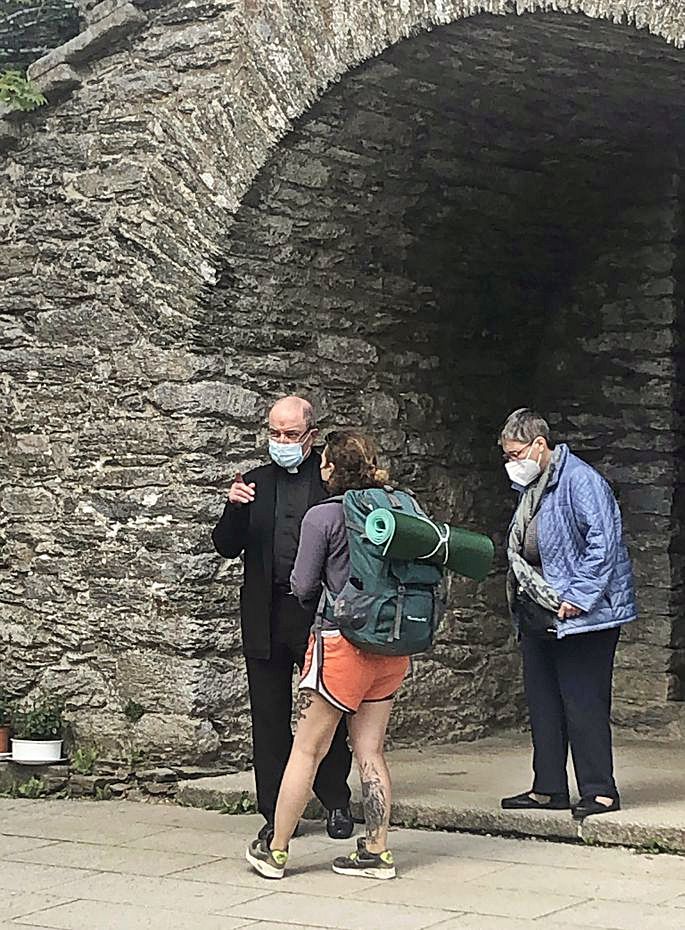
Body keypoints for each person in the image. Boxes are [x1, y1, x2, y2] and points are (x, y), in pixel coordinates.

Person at [246, 430, 408, 880]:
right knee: (371, 750)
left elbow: (301, 586)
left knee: (306, 748)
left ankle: (276, 850)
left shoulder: (324, 516)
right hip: (391, 647)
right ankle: (376, 851)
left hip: (342, 645)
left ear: (331, 470)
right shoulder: (397, 507)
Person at [212, 397, 353, 842]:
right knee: (268, 716)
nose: (281, 442)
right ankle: (275, 812)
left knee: (328, 710)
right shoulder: (253, 482)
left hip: (315, 615)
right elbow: (225, 546)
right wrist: (233, 508)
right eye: (274, 433)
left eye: (290, 434)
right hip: (265, 612)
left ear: (311, 436)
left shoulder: (330, 481)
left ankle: (336, 801)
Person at [499, 408, 637, 820]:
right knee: (544, 702)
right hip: (542, 609)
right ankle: (548, 787)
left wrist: (579, 597)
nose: (511, 463)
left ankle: (599, 790)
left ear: (540, 445)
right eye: (507, 456)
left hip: (582, 614)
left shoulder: (581, 480)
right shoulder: (536, 485)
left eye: (515, 453)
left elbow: (603, 543)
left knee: (584, 702)